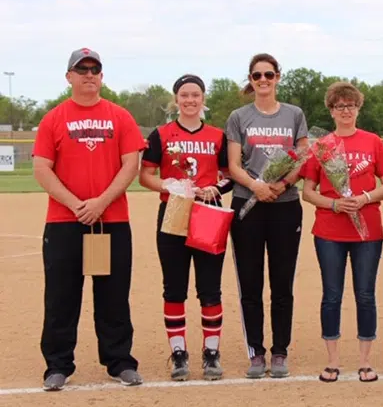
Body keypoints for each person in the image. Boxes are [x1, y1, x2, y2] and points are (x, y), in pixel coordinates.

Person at [32, 48, 145, 391]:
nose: (89, 74)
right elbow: (41, 169)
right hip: (65, 222)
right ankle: (57, 365)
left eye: (95, 69)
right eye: (81, 69)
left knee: (113, 296)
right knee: (61, 297)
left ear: (101, 76)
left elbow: (130, 164)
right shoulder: (54, 118)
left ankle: (120, 361)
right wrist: (77, 204)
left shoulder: (119, 116)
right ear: (69, 77)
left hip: (110, 219)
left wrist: (101, 202)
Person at [139, 74, 234, 381]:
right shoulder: (161, 134)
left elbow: (229, 175)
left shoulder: (218, 136)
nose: (190, 100)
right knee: (174, 287)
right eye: (184, 95)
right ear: (176, 99)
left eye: (195, 95)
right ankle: (179, 353)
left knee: (210, 288)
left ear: (203, 98)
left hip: (208, 212)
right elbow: (146, 175)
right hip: (174, 212)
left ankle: (211, 352)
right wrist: (169, 184)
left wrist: (215, 189)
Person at [300, 82, 383, 383]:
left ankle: (365, 361)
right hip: (329, 229)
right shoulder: (322, 146)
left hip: (368, 231)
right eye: (339, 106)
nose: (345, 110)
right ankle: (333, 360)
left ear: (358, 108)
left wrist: (365, 198)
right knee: (331, 295)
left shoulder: (373, 142)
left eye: (350, 105)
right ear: (331, 110)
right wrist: (335, 204)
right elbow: (308, 192)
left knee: (365, 294)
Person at [225, 53, 309, 379]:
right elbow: (233, 165)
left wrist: (283, 182)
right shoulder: (238, 116)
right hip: (248, 204)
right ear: (251, 79)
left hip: (285, 205)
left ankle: (280, 351)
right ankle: (256, 352)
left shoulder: (294, 114)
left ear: (277, 77)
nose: (263, 80)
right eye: (257, 75)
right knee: (250, 283)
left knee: (282, 283)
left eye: (269, 75)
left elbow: (302, 157)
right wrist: (257, 186)